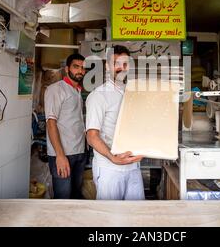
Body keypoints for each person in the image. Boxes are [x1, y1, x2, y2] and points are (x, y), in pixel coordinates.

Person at [86, 45, 145, 200]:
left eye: (125, 63)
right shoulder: (98, 96)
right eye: (116, 63)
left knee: (135, 216)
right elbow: (92, 136)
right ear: (107, 66)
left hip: (133, 167)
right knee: (110, 219)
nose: (121, 68)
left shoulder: (131, 93)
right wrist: (113, 157)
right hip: (109, 169)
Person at [44, 53, 87, 199]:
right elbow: (51, 123)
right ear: (67, 69)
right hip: (63, 154)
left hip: (79, 152)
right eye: (76, 67)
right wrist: (60, 155)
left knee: (75, 195)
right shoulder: (56, 89)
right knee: (63, 198)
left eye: (83, 68)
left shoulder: (77, 91)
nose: (80, 71)